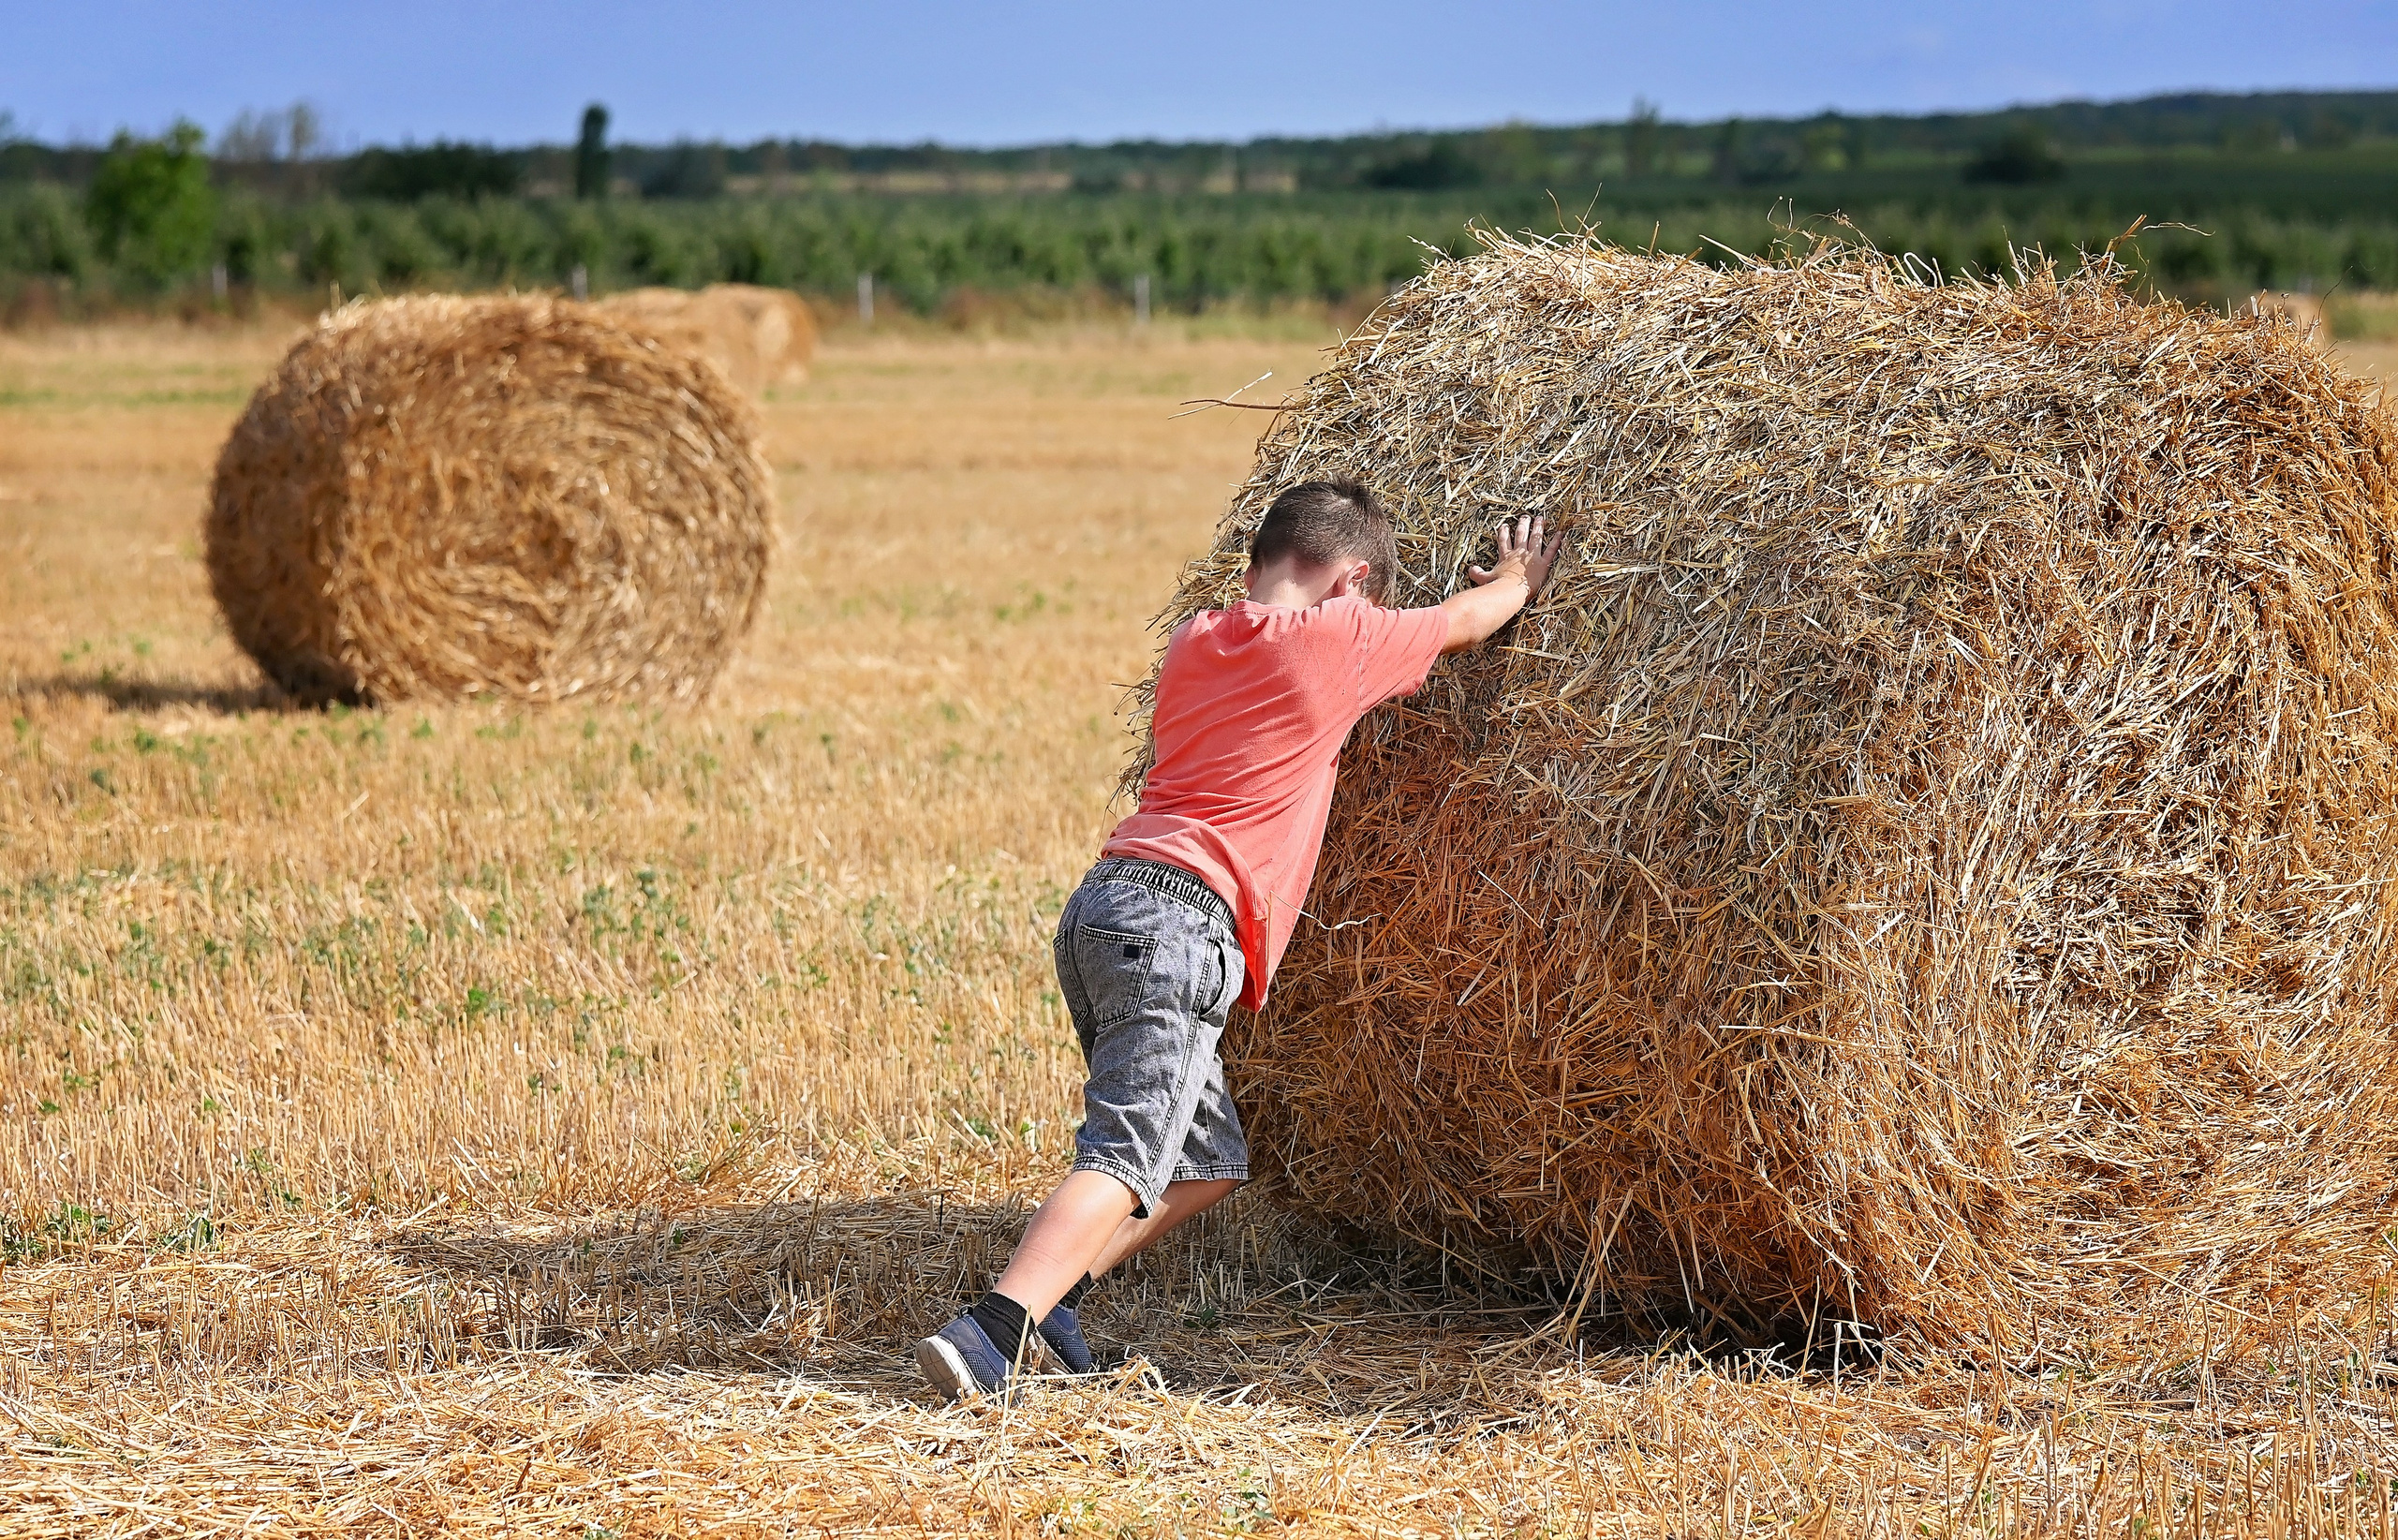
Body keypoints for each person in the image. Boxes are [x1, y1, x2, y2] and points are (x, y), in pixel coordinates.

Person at [912, 479, 1562, 1399]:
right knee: (1126, 1153)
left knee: (1209, 1162)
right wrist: (1519, 579)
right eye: (1365, 593)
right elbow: (1468, 619)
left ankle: (1057, 1299)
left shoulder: (1197, 638)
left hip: (1106, 908)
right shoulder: (1339, 637)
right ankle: (990, 1330)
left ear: (1256, 563)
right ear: (1353, 581)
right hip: (1181, 926)